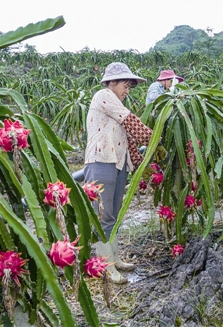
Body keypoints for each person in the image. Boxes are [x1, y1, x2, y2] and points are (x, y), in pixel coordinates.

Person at [84, 62, 155, 284]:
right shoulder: (103, 96)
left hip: (117, 164)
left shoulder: (115, 103)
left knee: (113, 216)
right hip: (100, 161)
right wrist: (155, 137)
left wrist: (143, 164)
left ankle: (114, 259)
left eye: (129, 88)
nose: (127, 91)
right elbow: (131, 122)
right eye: (125, 86)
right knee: (102, 216)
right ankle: (106, 266)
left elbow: (130, 142)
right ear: (112, 83)